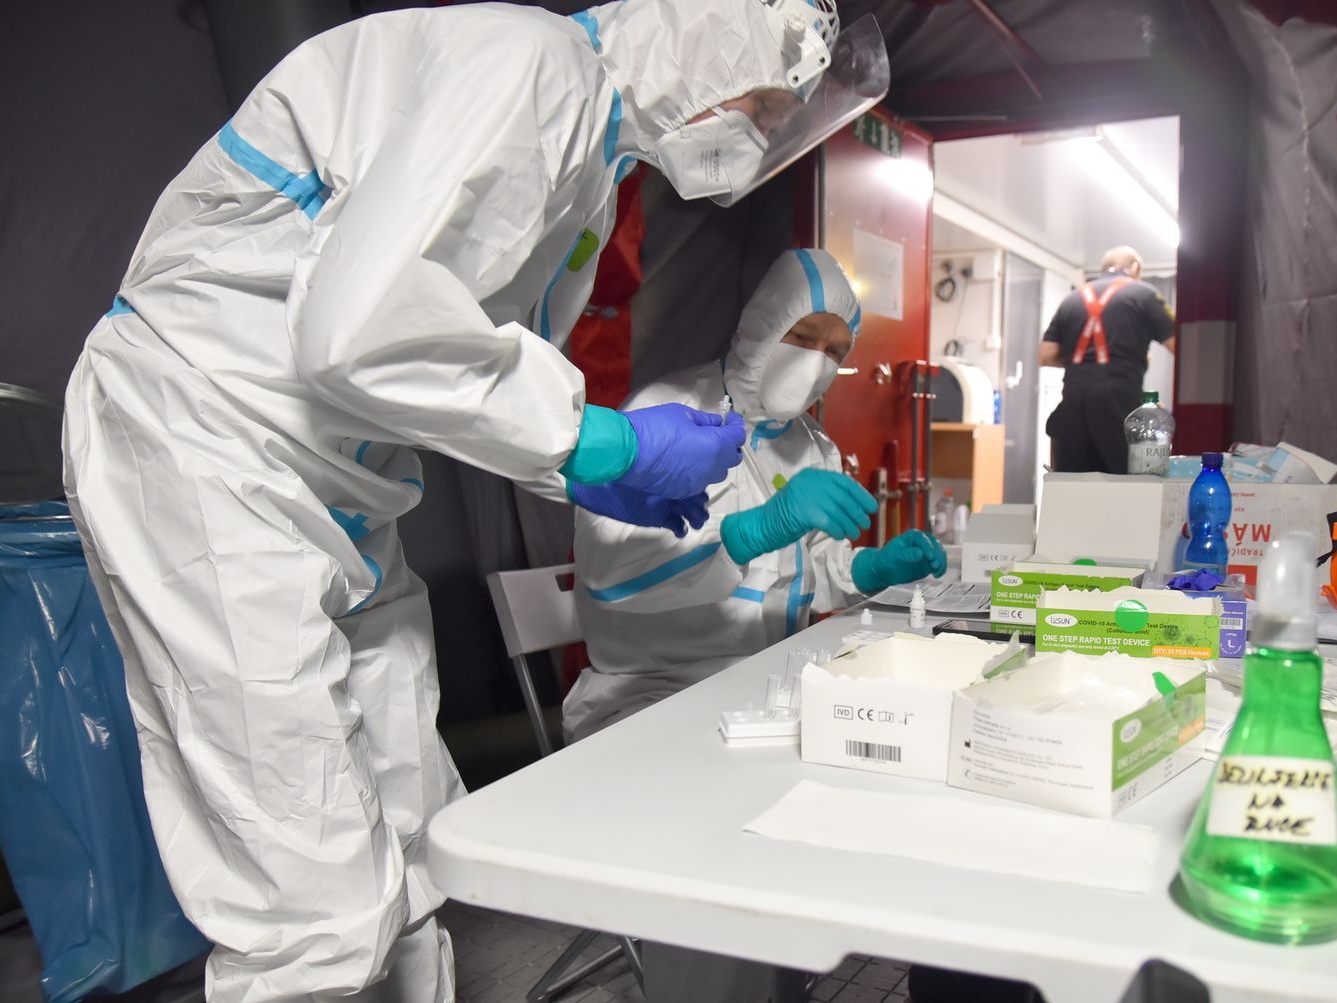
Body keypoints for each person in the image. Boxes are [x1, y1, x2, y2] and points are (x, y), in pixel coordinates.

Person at [60, 1, 889, 1000]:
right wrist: (604, 440)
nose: (754, 137)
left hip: (337, 482)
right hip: (209, 438)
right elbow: (359, 322)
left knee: (415, 840)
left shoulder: (592, 169)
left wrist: (584, 467)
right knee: (310, 905)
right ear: (700, 35)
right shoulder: (531, 68)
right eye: (759, 105)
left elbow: (463, 368)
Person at [566, 249, 947, 742]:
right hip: (651, 694)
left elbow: (810, 570)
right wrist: (747, 535)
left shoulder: (813, 445)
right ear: (761, 327)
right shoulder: (666, 415)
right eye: (802, 337)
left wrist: (869, 570)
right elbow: (611, 574)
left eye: (834, 351)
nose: (815, 361)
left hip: (768, 687)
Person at [1039, 245, 1176, 473]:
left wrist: (1084, 361)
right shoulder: (1145, 294)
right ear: (1135, 268)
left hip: (1073, 403)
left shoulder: (1072, 299)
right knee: (1124, 479)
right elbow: (1179, 346)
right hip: (1119, 400)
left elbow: (1046, 355)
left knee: (1072, 482)